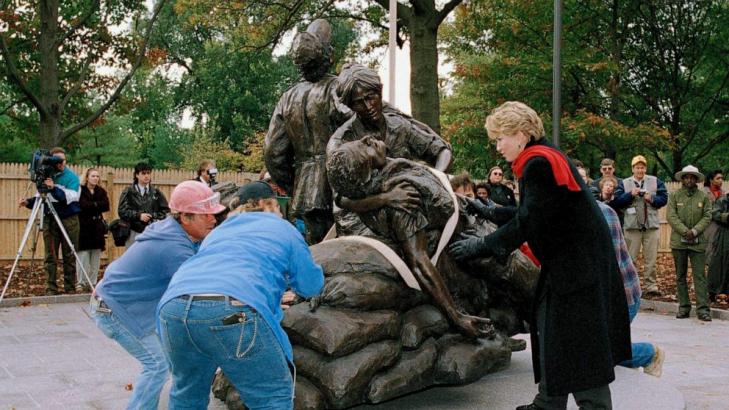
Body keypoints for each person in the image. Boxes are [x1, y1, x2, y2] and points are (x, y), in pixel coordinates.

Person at [448, 101, 630, 410]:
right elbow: (538, 212)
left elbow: (529, 221)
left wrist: (481, 245)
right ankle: (549, 400)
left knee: (579, 336)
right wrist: (492, 211)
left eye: (499, 138)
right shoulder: (544, 157)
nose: (497, 147)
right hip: (573, 261)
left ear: (519, 135)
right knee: (550, 326)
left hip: (576, 267)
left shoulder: (537, 164)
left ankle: (593, 405)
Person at [157, 181, 324, 409]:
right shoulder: (283, 229)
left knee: (187, 394)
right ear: (273, 205)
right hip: (231, 309)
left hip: (173, 308)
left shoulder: (218, 232)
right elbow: (310, 285)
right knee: (271, 397)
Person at [327, 137, 493, 339]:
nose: (367, 139)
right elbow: (418, 261)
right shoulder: (403, 198)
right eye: (364, 147)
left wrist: (381, 198)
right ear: (369, 172)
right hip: (472, 238)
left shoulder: (382, 180)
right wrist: (456, 317)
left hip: (472, 221)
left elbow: (343, 199)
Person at [91, 181, 224, 409]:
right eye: (206, 215)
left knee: (166, 360)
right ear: (185, 217)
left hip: (125, 304)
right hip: (113, 309)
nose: (213, 220)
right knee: (157, 364)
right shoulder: (173, 247)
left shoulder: (176, 232)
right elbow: (202, 289)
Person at [264, 19, 352, 244]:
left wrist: (296, 183)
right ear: (327, 55)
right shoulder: (338, 90)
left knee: (313, 253)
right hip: (339, 190)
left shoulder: (287, 98)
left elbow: (273, 153)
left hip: (304, 192)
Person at [597, 201, 664, 377]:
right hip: (602, 296)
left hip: (622, 296)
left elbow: (607, 264)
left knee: (601, 353)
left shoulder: (602, 213)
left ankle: (650, 354)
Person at [19, 147, 81, 295]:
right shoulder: (47, 174)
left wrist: (53, 188)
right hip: (50, 219)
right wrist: (27, 202)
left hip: (68, 220)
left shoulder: (72, 178)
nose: (60, 163)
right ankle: (51, 288)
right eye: (57, 160)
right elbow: (41, 198)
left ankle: (70, 288)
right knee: (50, 255)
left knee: (69, 255)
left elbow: (70, 198)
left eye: (63, 160)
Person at [613, 155, 668, 296]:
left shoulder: (656, 181)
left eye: (642, 167)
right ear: (633, 169)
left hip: (651, 225)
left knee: (651, 258)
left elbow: (664, 199)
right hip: (632, 226)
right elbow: (617, 202)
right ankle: (630, 285)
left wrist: (652, 199)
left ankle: (651, 286)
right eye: (637, 167)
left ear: (646, 168)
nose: (640, 170)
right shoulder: (624, 183)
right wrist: (630, 195)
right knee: (630, 258)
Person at [667, 165, 712, 321]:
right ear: (682, 179)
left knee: (699, 276)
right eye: (686, 177)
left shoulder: (703, 196)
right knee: (680, 276)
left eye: (692, 177)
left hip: (698, 242)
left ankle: (703, 310)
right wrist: (684, 230)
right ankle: (684, 307)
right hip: (679, 242)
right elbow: (671, 216)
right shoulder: (674, 196)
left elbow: (707, 216)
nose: (689, 180)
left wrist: (694, 231)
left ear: (697, 180)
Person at [118, 162, 170, 247]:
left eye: (148, 173)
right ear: (137, 175)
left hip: (151, 231)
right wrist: (138, 215)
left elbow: (166, 211)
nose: (146, 176)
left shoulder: (156, 192)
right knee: (132, 258)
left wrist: (152, 216)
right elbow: (122, 211)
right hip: (133, 231)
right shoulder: (128, 192)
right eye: (143, 173)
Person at [75, 168, 110, 292]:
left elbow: (106, 205)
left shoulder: (101, 191)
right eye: (93, 176)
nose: (96, 178)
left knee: (95, 257)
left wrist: (93, 205)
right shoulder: (81, 190)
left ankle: (93, 282)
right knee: (83, 256)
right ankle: (81, 282)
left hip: (97, 228)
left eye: (97, 176)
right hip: (84, 227)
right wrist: (96, 205)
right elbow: (82, 205)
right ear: (87, 177)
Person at [708, 190, 729, 299]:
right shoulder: (723, 200)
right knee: (718, 262)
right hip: (723, 234)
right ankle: (714, 291)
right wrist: (726, 216)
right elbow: (714, 214)